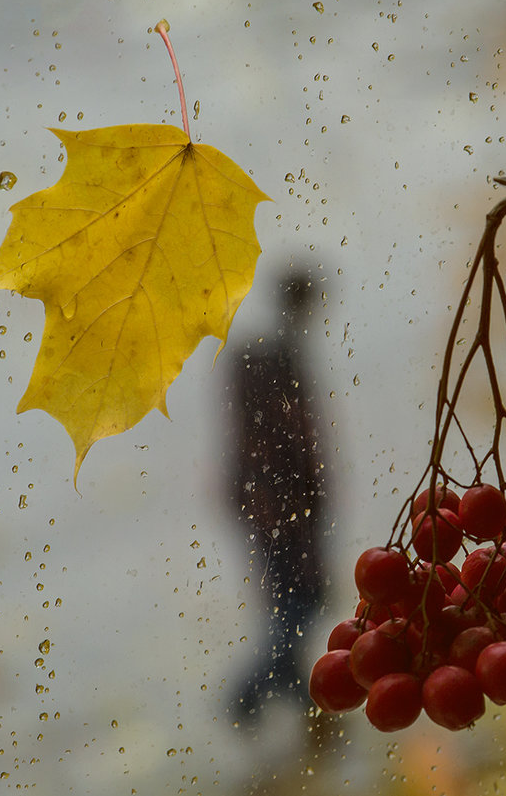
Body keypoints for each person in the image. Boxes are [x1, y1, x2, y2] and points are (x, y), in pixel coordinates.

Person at [224, 270, 331, 722]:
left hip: (283, 502)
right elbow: (267, 440)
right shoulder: (266, 359)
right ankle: (251, 696)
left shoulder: (273, 357)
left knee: (299, 597)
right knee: (299, 597)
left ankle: (289, 690)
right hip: (276, 504)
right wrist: (271, 502)